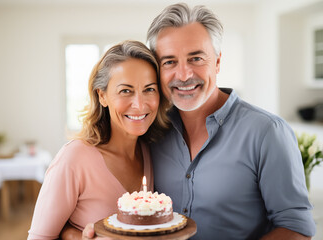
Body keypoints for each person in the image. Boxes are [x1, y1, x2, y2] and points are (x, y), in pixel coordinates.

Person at [62, 3, 316, 240]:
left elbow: (296, 226)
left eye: (196, 58)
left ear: (217, 62)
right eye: (170, 62)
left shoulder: (267, 132)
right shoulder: (150, 130)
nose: (184, 75)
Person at [27, 40, 169, 239]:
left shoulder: (152, 150)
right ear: (102, 96)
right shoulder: (74, 158)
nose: (139, 104)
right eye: (125, 91)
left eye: (149, 89)